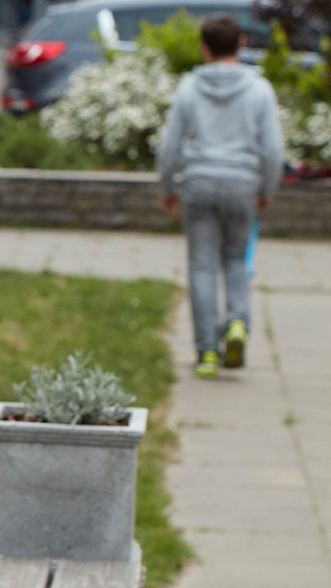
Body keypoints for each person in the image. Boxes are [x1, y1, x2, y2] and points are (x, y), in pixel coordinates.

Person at [156, 13, 284, 379]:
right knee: (235, 260)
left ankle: (207, 353)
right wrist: (267, 190)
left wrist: (167, 188)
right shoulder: (259, 89)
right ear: (241, 43)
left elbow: (169, 147)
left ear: (204, 47)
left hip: (197, 183)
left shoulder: (188, 88)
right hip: (242, 184)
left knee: (201, 266)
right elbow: (273, 149)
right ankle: (238, 325)